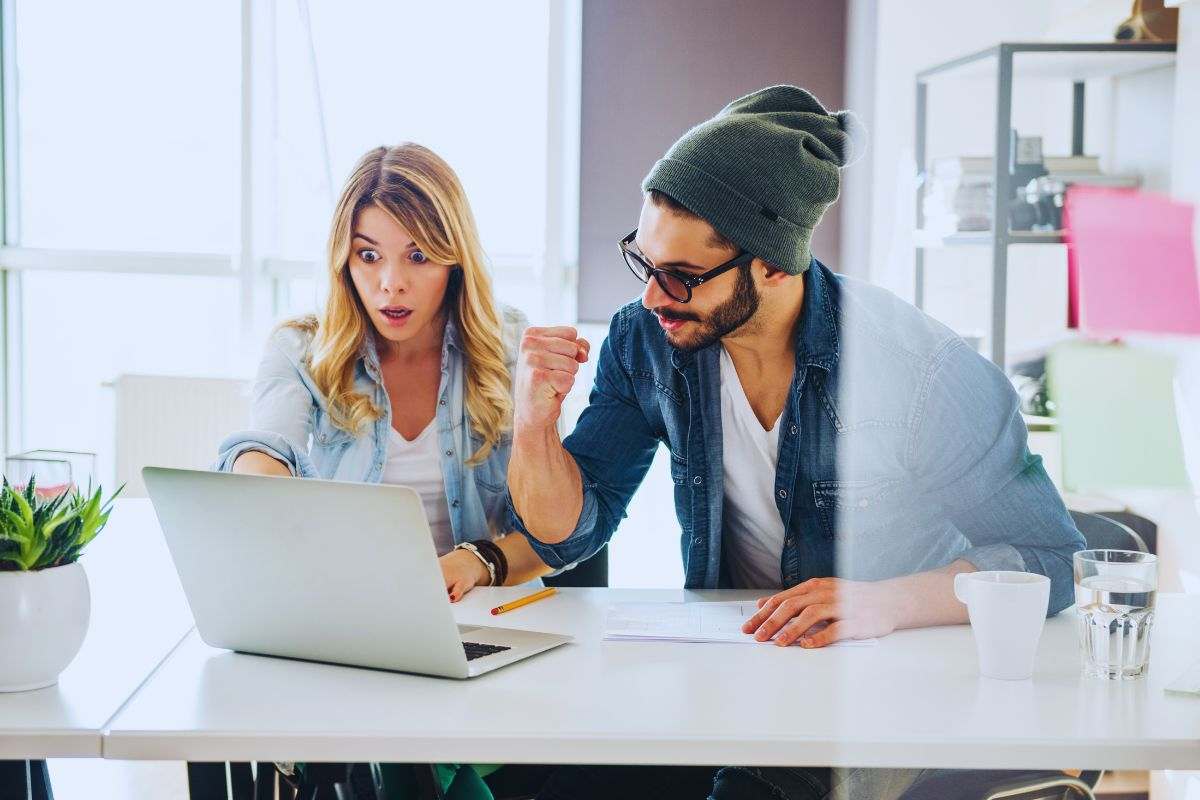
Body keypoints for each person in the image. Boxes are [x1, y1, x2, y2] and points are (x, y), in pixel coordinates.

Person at [505, 86, 1086, 799]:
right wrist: (532, 422)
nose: (653, 296)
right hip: (734, 678)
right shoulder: (646, 340)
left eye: (683, 277)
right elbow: (570, 533)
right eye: (644, 261)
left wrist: (887, 601)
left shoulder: (919, 371)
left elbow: (1056, 560)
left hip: (883, 690)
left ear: (776, 263)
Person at [217, 142, 554, 603]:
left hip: (486, 611)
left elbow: (554, 540)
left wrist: (474, 563)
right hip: (352, 607)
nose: (391, 283)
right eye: (369, 256)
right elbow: (268, 445)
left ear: (454, 260)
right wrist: (259, 476)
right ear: (344, 261)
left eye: (418, 257)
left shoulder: (510, 346)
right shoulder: (300, 349)